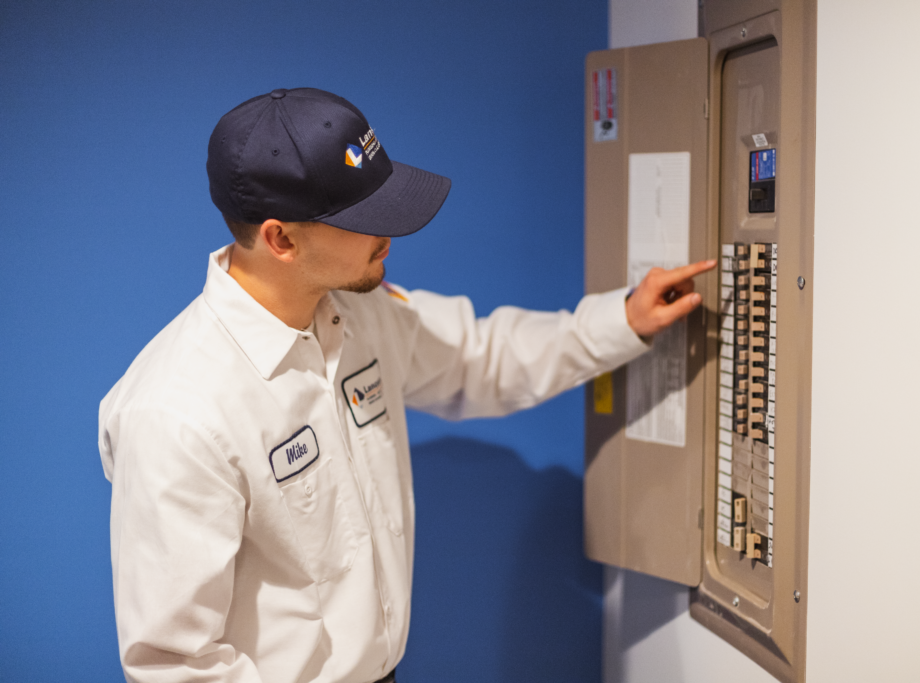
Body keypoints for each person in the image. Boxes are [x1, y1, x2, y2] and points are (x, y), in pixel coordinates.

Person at [98, 87, 716, 683]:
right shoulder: (177, 413)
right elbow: (176, 666)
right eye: (365, 218)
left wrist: (623, 320)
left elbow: (478, 356)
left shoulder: (358, 311)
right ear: (280, 238)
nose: (389, 233)